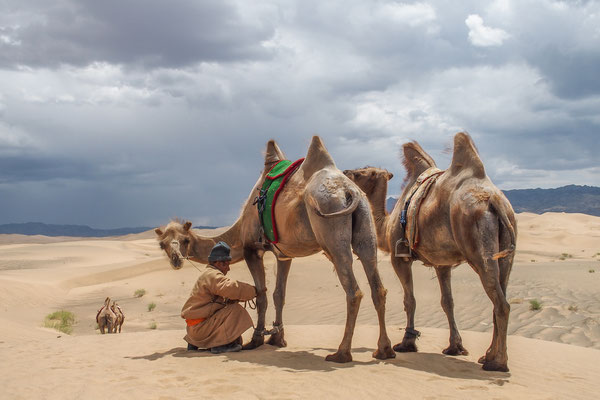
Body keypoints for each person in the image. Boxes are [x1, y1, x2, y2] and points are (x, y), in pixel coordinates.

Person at [181, 241, 257, 354]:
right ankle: (221, 345)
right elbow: (231, 288)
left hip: (193, 330)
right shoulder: (213, 275)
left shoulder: (208, 274)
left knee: (228, 306)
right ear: (219, 263)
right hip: (200, 329)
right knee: (236, 310)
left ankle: (196, 342)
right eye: (226, 264)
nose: (228, 268)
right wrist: (255, 290)